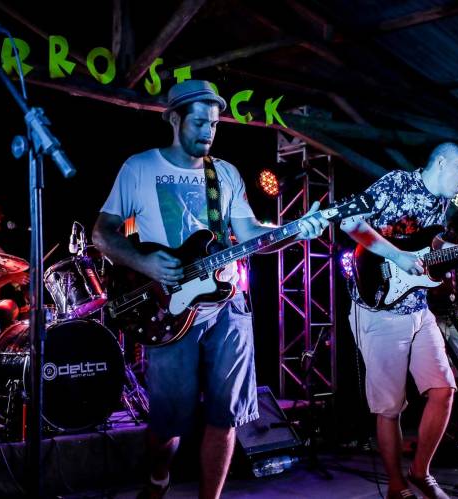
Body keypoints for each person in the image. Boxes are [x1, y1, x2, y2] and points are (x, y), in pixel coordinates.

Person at [93, 79, 328, 499]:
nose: (208, 131)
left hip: (228, 305)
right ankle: (158, 480)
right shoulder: (140, 168)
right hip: (167, 310)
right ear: (174, 119)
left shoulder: (225, 173)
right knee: (168, 421)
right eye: (199, 122)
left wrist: (295, 230)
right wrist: (144, 262)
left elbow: (251, 235)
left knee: (226, 415)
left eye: (214, 124)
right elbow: (102, 234)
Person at [341, 141, 458, 499]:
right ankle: (396, 484)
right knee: (389, 408)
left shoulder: (441, 203)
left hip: (418, 308)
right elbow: (350, 221)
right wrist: (397, 256)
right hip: (380, 307)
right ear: (441, 162)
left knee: (444, 389)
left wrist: (457, 252)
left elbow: (425, 251)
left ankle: (421, 473)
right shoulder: (397, 183)